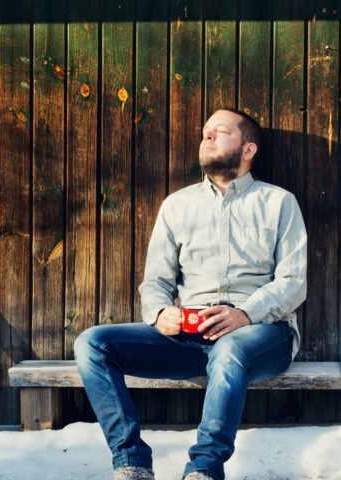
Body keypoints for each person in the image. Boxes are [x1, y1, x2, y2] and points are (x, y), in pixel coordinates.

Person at [74, 108, 308, 480]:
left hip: (263, 334)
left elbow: (294, 281)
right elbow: (155, 282)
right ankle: (131, 461)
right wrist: (158, 313)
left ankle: (204, 468)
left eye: (220, 132)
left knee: (231, 349)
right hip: (190, 336)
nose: (207, 138)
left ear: (248, 150)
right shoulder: (177, 205)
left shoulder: (279, 203)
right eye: (205, 132)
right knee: (93, 343)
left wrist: (244, 313)